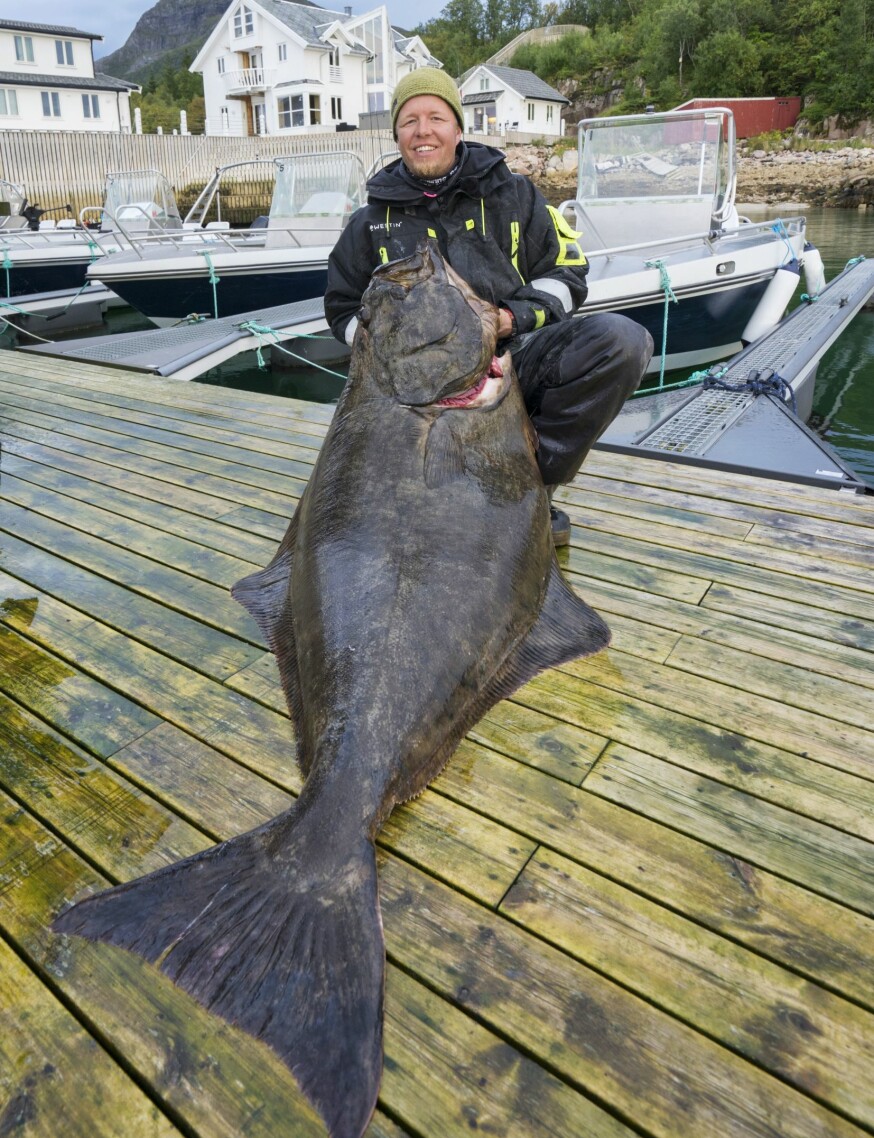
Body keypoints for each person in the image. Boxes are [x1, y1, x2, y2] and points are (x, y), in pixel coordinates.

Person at [324, 68, 653, 545]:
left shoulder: (515, 195)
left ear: (457, 127)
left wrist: (511, 319)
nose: (423, 131)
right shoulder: (367, 220)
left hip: (511, 357)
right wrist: (384, 350)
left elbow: (568, 273)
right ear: (396, 133)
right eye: (410, 120)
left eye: (436, 116)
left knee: (622, 342)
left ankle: (531, 490)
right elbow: (340, 308)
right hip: (410, 388)